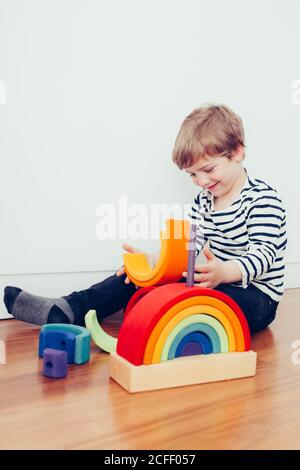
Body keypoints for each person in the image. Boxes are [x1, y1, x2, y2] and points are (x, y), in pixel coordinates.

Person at [3, 104, 287, 333]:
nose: (201, 181)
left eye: (208, 169)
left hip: (256, 297)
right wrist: (156, 262)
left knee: (189, 300)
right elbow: (187, 245)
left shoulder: (262, 199)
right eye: (192, 174)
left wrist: (224, 272)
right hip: (216, 282)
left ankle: (155, 316)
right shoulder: (203, 201)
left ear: (237, 151)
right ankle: (71, 308)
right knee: (137, 276)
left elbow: (263, 255)